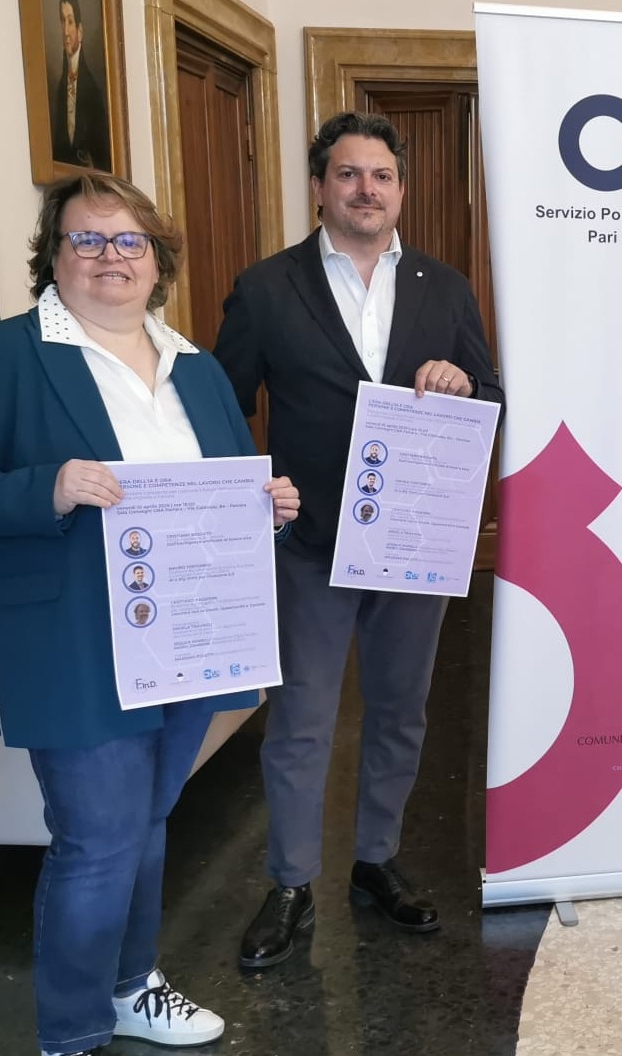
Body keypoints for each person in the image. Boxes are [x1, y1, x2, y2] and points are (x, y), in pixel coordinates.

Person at [0, 173, 299, 1056]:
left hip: (186, 636)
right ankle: (70, 1041)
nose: (110, 257)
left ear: (157, 261)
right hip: (71, 640)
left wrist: (266, 508)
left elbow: (216, 492)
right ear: (55, 256)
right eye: (87, 240)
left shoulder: (196, 367)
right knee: (94, 841)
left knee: (149, 819)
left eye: (129, 241)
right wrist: (48, 487)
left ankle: (130, 985)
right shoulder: (4, 356)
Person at [214, 111, 502, 966]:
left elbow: (491, 392)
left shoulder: (445, 288)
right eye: (348, 174)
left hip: (412, 544)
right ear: (320, 187)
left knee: (401, 713)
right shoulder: (267, 288)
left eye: (381, 175)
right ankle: (291, 883)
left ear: (400, 190)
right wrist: (250, 493)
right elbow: (221, 407)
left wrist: (464, 383)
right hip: (309, 544)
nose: (365, 189)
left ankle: (376, 860)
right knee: (301, 722)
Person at [50, 0, 112, 171]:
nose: (65, 31)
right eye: (62, 21)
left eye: (70, 22)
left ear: (80, 31)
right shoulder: (61, 88)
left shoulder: (93, 92)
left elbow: (102, 159)